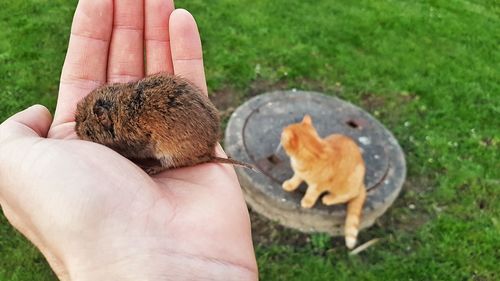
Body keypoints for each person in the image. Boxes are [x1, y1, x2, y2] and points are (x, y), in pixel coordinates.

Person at [0, 0, 258, 280]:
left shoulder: (129, 128)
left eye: (86, 129)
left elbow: (138, 145)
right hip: (196, 123)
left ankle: (177, 162)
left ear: (104, 120)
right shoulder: (124, 102)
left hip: (186, 140)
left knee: (164, 153)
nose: (80, 132)